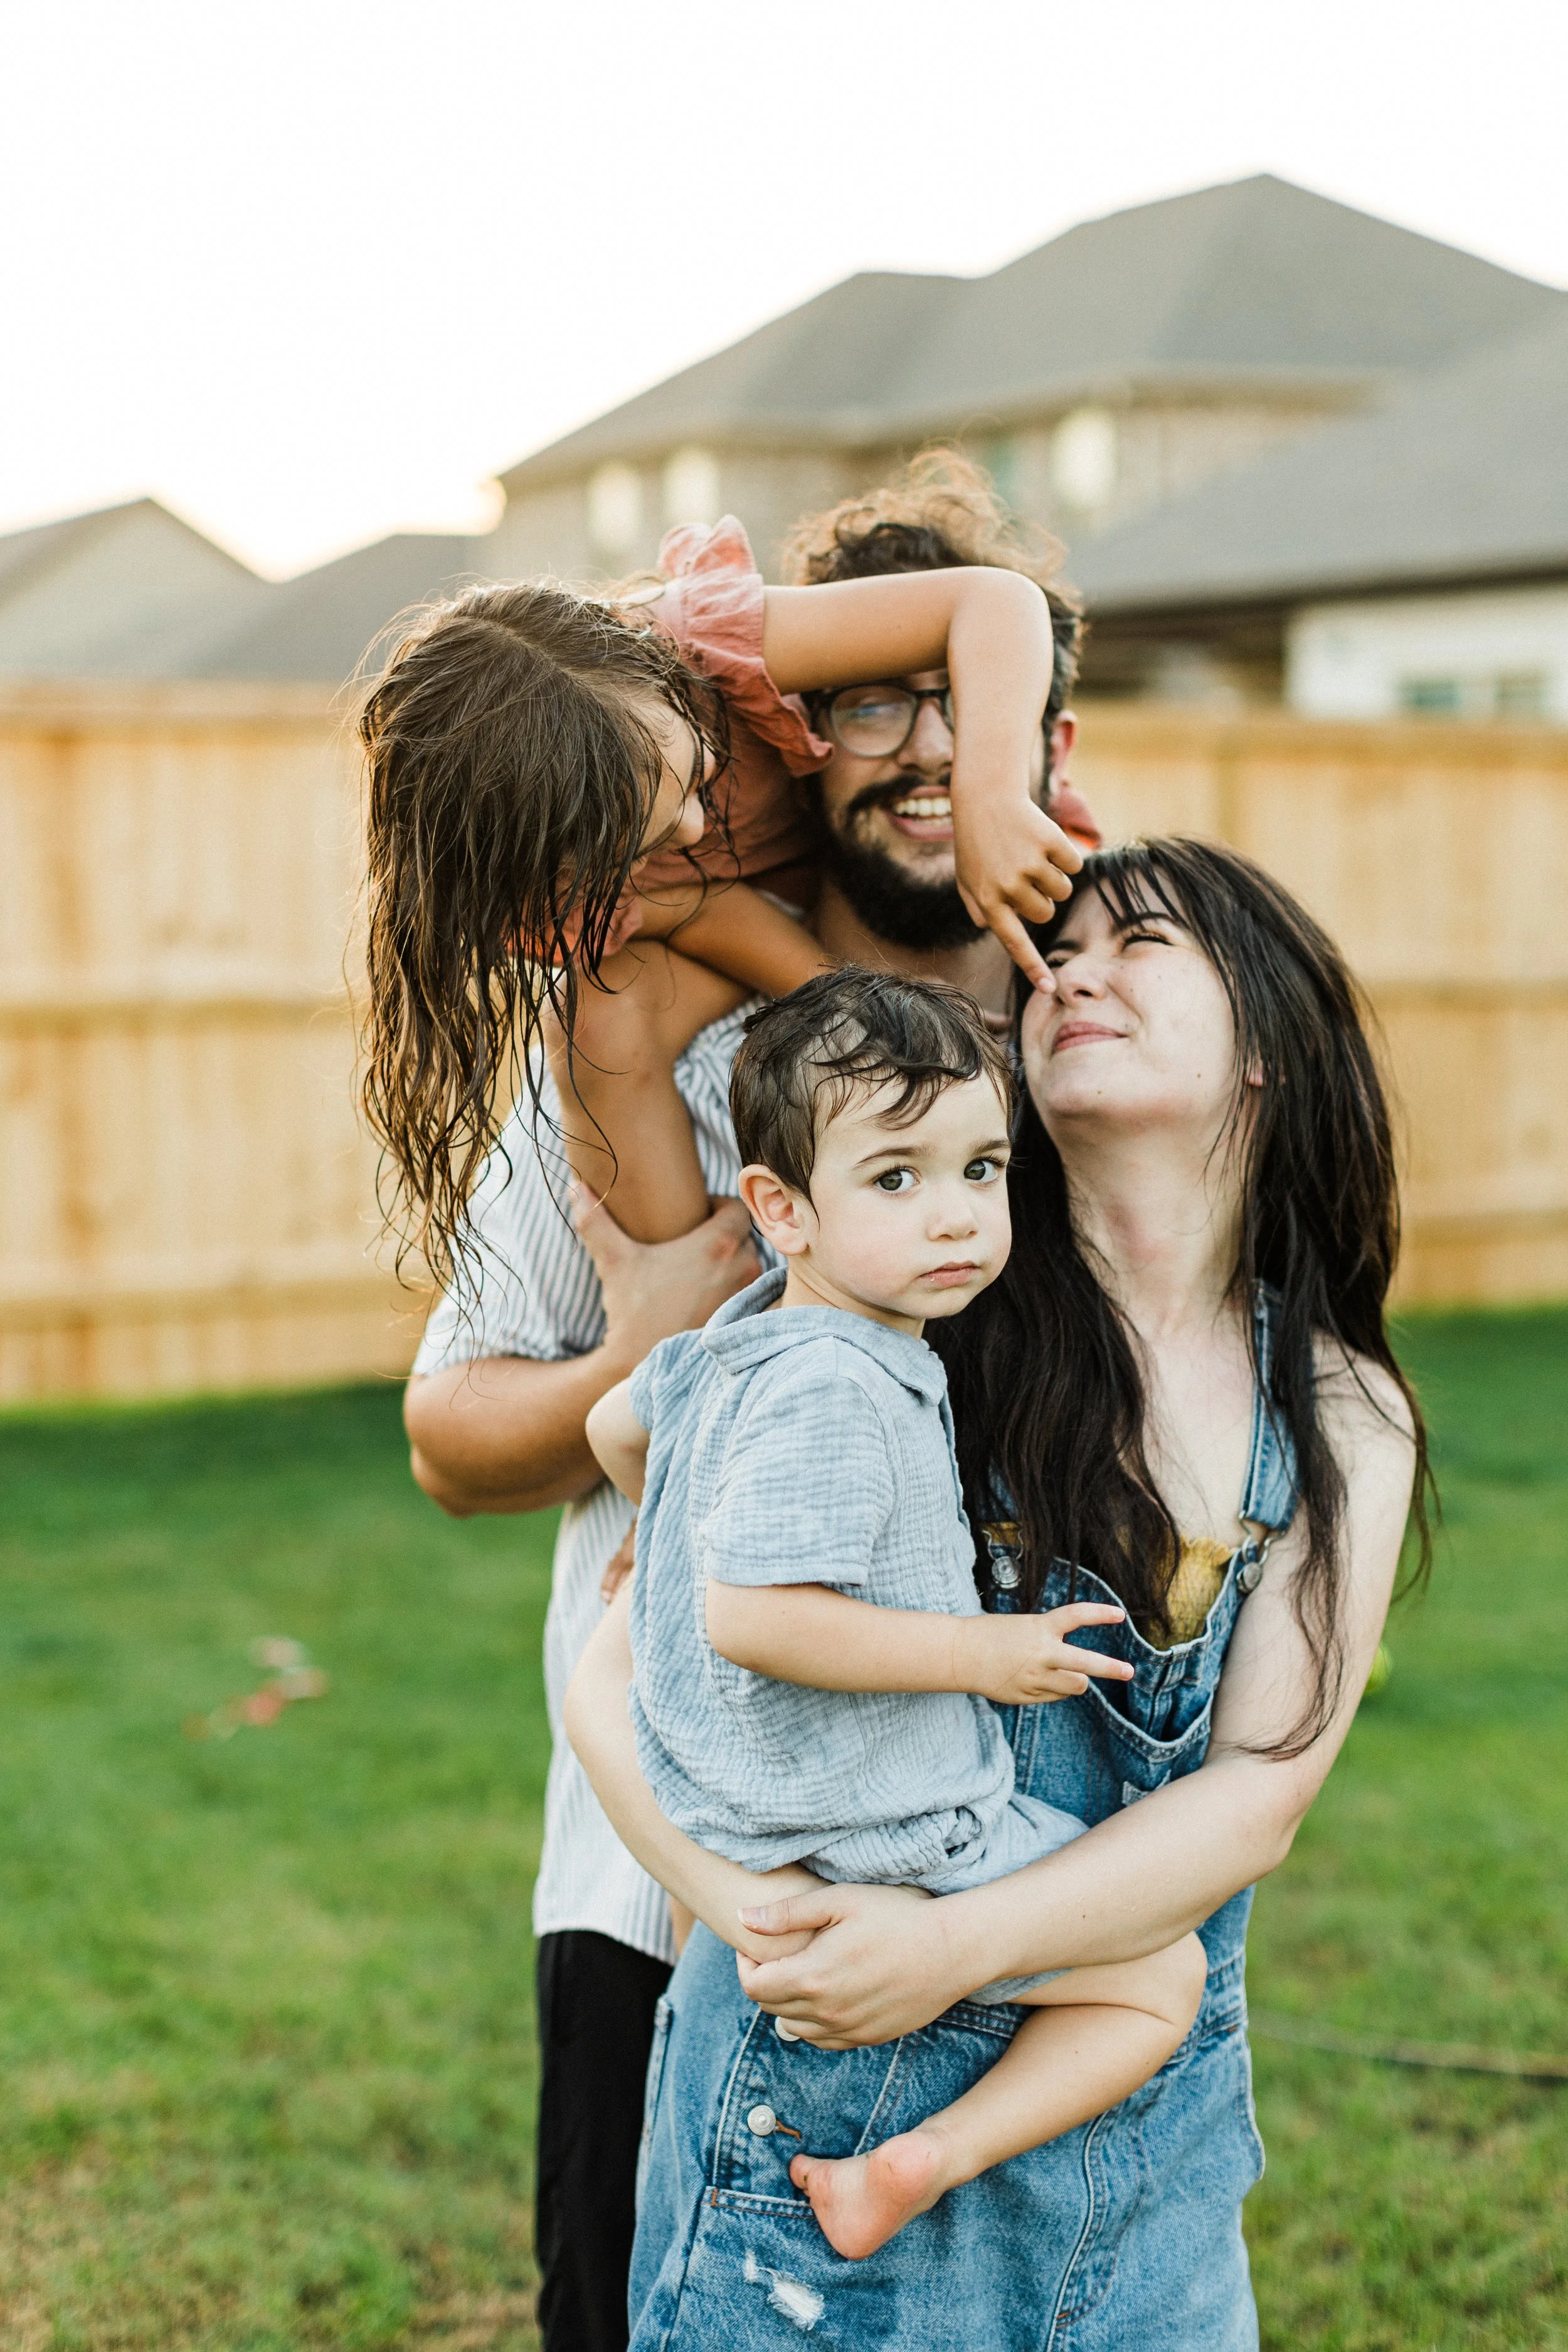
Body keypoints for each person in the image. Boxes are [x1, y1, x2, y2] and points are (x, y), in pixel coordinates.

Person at [402, 455, 1096, 2352]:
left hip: (1000, 1860)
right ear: (789, 715)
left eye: (974, 706)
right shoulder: (636, 1003)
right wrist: (646, 1358)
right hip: (660, 1871)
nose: (929, 748)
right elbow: (448, 1436)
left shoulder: (1094, 1057)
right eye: (874, 700)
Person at [566, 839, 1432, 2349]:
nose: (1069, 970)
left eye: (1139, 942)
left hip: (1132, 2166)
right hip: (816, 2127)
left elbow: (1255, 1799)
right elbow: (625, 1669)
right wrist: (754, 1919)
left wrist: (951, 1951)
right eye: (1052, 951)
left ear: (1271, 1048)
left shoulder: (1340, 1409)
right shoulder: (879, 1329)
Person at [586, 969, 1205, 2260]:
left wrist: (671, 1511)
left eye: (980, 1169)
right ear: (780, 1208)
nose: (957, 1219)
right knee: (1163, 1977)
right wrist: (975, 1653)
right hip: (880, 1821)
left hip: (736, 1784)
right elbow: (756, 1616)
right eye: (895, 1178)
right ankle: (917, 2163)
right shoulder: (841, 1386)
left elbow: (609, 1424)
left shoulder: (739, 1338)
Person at [360, 472, 1086, 1287]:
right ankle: (691, 1292)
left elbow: (998, 601)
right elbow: (701, 906)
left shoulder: (706, 637)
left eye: (698, 783)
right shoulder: (545, 876)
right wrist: (857, 1003)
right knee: (594, 1021)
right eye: (652, 840)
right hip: (770, 904)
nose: (698, 831)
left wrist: (986, 792)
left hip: (892, 837)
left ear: (663, 676)